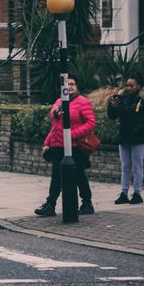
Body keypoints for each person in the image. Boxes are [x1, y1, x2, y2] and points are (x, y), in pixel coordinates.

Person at [35, 77, 97, 217]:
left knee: (79, 175)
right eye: (66, 85)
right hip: (58, 145)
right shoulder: (58, 102)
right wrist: (47, 142)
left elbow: (91, 122)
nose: (69, 87)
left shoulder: (82, 101)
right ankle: (50, 204)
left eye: (72, 84)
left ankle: (87, 203)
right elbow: (55, 126)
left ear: (77, 86)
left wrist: (72, 134)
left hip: (75, 146)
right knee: (57, 176)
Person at [108, 76, 144, 205]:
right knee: (125, 166)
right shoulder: (122, 98)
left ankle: (137, 193)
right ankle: (124, 192)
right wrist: (112, 106)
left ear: (138, 86)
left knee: (137, 165)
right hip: (125, 136)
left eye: (131, 85)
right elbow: (112, 116)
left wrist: (140, 128)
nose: (128, 88)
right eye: (127, 85)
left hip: (139, 137)